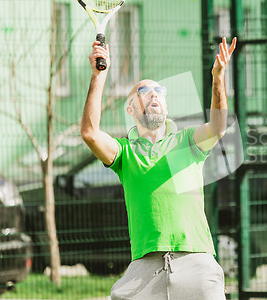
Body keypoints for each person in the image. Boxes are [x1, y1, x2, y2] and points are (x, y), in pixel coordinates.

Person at [81, 37, 237, 300]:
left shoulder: (186, 141)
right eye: (144, 91)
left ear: (165, 106)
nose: (154, 94)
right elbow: (89, 133)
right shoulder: (124, 153)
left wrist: (218, 78)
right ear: (130, 109)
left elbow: (218, 126)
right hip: (145, 268)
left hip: (196, 261)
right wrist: (99, 76)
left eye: (159, 91)